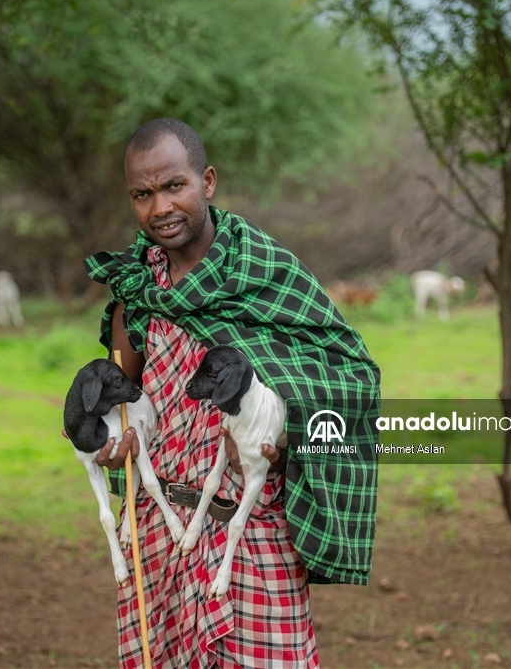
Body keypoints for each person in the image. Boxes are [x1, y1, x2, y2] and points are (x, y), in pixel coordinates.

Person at [83, 118, 380, 668]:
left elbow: (351, 377)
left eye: (175, 186)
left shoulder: (268, 273)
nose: (160, 208)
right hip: (160, 532)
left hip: (251, 531)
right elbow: (119, 399)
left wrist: (289, 438)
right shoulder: (136, 295)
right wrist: (110, 440)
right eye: (142, 195)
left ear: (208, 182)